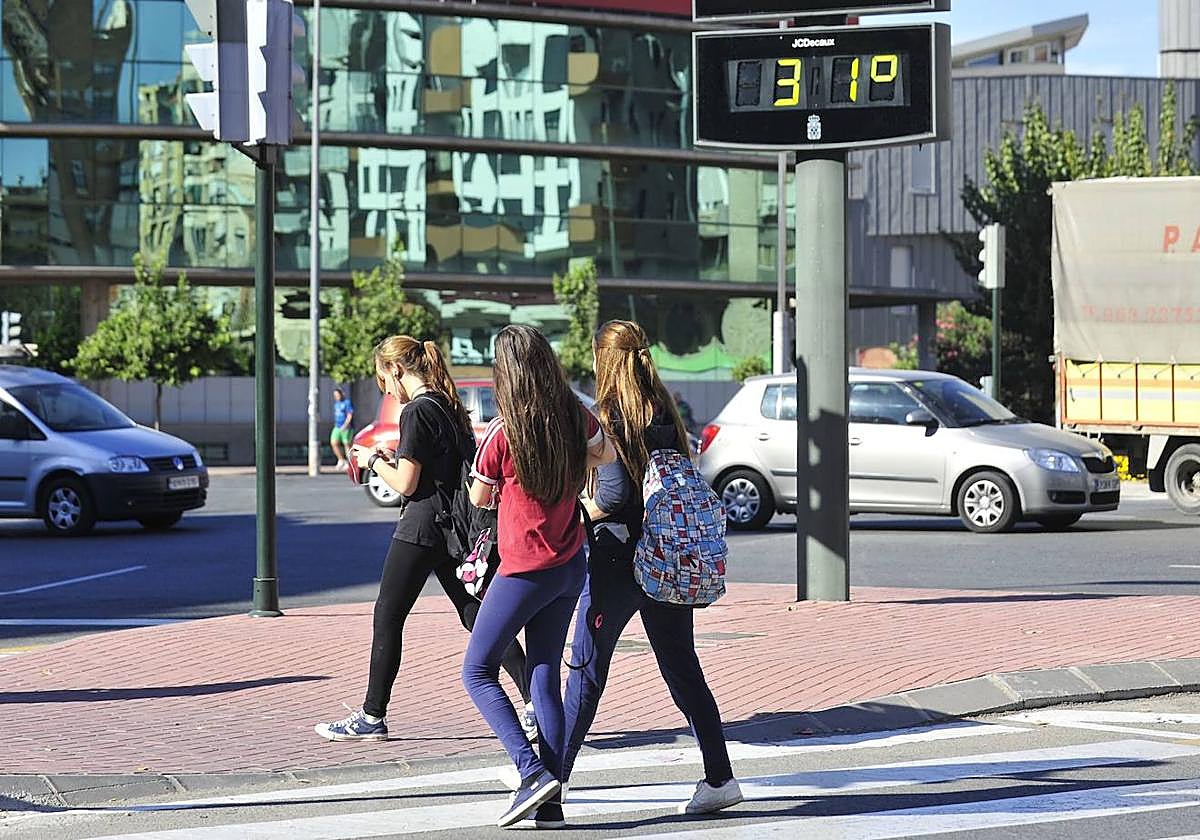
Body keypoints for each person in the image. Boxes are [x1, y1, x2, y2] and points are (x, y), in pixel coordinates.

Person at [315, 336, 536, 743]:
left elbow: (406, 482)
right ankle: (533, 702)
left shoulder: (416, 410)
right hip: (453, 528)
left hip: (421, 527)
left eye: (384, 380)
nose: (387, 389)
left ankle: (372, 714)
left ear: (396, 370)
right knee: (474, 611)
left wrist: (373, 460)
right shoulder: (447, 403)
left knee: (388, 614)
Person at [563, 320, 743, 815]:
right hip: (666, 559)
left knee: (586, 671)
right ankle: (719, 777)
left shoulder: (612, 417)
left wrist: (577, 515)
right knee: (683, 669)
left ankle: (550, 784)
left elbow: (616, 495)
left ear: (605, 361)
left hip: (620, 558)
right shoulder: (664, 412)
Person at [464, 324, 615, 829]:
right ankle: (551, 805)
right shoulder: (573, 415)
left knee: (478, 671)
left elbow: (479, 498)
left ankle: (530, 773)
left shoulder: (504, 432)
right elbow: (607, 454)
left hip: (524, 568)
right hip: (570, 565)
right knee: (544, 675)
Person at [331, 387, 354, 470]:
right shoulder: (336, 404)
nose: (336, 397)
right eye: (335, 395)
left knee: (347, 444)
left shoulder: (347, 403)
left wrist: (345, 425)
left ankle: (349, 463)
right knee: (334, 443)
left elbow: (349, 415)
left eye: (337, 395)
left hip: (346, 427)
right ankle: (341, 460)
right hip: (337, 426)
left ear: (341, 394)